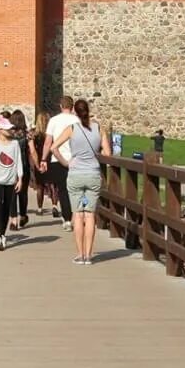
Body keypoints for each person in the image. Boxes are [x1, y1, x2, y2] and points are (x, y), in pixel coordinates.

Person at [64, 97, 108, 265]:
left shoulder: (72, 129)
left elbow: (54, 147)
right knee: (90, 215)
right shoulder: (99, 128)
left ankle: (80, 254)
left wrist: (66, 161)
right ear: (88, 110)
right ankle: (89, 255)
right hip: (93, 174)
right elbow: (108, 153)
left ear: (75, 112)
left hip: (75, 174)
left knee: (78, 214)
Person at [0, 115, 23, 250]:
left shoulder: (15, 144)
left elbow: (18, 162)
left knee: (7, 208)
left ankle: (3, 234)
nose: (10, 131)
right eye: (7, 129)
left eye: (10, 128)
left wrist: (20, 178)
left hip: (10, 181)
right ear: (0, 130)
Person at [44, 95, 82, 223]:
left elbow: (48, 142)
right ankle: (76, 214)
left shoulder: (54, 120)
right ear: (72, 107)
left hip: (58, 158)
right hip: (75, 158)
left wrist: (44, 159)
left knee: (63, 189)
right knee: (75, 189)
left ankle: (67, 218)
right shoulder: (78, 120)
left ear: (61, 106)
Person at [8, 109, 33, 229]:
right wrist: (38, 164)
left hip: (11, 167)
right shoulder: (27, 135)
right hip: (24, 166)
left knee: (12, 193)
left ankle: (13, 220)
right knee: (23, 193)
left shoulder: (9, 135)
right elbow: (32, 151)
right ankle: (23, 215)